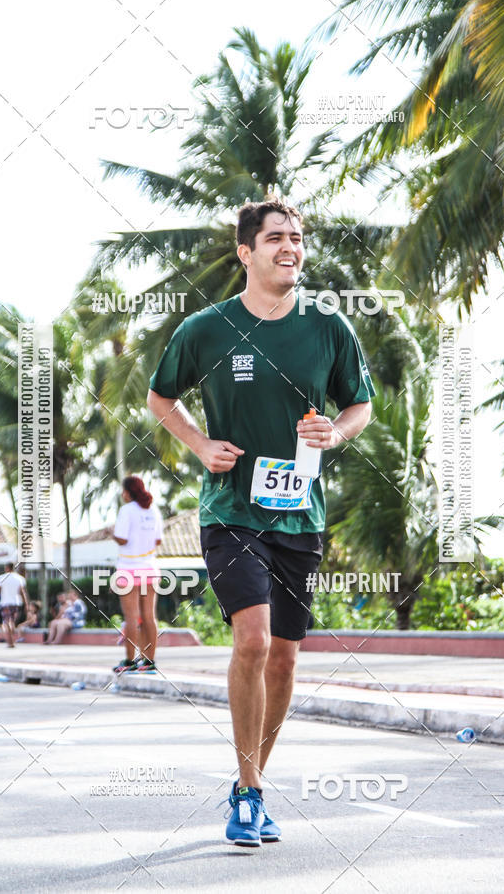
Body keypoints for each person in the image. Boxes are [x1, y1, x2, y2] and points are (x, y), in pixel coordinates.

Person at [147, 198, 374, 846]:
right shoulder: (206, 330)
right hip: (230, 509)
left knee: (283, 661)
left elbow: (359, 403)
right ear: (245, 252)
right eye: (276, 238)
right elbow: (160, 396)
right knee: (252, 640)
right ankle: (247, 794)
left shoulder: (328, 327)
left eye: (297, 238)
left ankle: (253, 782)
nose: (291, 248)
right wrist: (197, 444)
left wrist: (334, 432)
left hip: (299, 513)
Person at [111, 476, 163, 674]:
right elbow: (157, 541)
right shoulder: (154, 510)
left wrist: (112, 534)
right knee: (149, 616)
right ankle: (149, 661)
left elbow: (122, 539)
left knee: (131, 617)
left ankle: (129, 660)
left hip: (128, 568)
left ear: (128, 492)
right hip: (150, 568)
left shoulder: (126, 510)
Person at [0, 562, 29, 648]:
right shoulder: (20, 578)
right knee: (13, 621)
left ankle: (10, 642)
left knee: (7, 621)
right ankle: (12, 637)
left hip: (5, 603)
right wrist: (26, 604)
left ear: (6, 568)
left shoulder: (1, 578)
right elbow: (22, 592)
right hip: (17, 603)